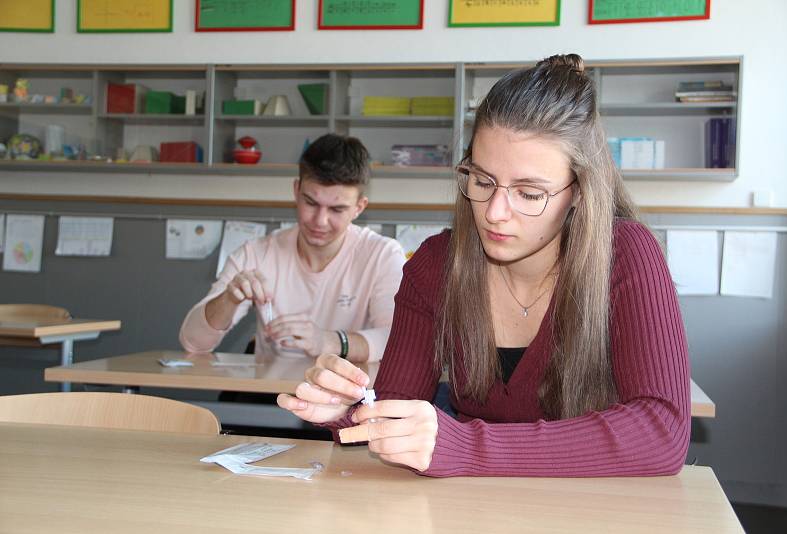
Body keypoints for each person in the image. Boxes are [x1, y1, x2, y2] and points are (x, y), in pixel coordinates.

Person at [277, 54, 690, 477]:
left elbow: (662, 433)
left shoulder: (626, 255)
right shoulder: (436, 265)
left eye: (529, 194)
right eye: (482, 180)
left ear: (580, 192)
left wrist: (467, 446)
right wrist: (347, 410)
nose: (494, 212)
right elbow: (394, 417)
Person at [179, 133, 406, 364]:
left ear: (359, 207)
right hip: (269, 396)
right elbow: (193, 342)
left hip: (348, 396)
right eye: (310, 202)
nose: (320, 221)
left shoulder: (383, 255)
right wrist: (228, 299)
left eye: (337, 209)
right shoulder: (256, 253)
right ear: (296, 191)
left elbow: (400, 341)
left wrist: (329, 342)